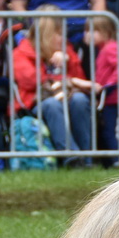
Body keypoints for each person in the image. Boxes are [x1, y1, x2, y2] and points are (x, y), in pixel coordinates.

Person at [13, 11, 94, 163]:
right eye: (58, 34)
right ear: (46, 35)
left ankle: (87, 158)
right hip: (36, 103)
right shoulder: (21, 52)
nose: (63, 39)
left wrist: (68, 61)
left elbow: (80, 79)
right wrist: (63, 78)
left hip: (67, 98)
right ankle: (72, 158)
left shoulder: (67, 51)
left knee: (80, 100)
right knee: (52, 104)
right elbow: (30, 80)